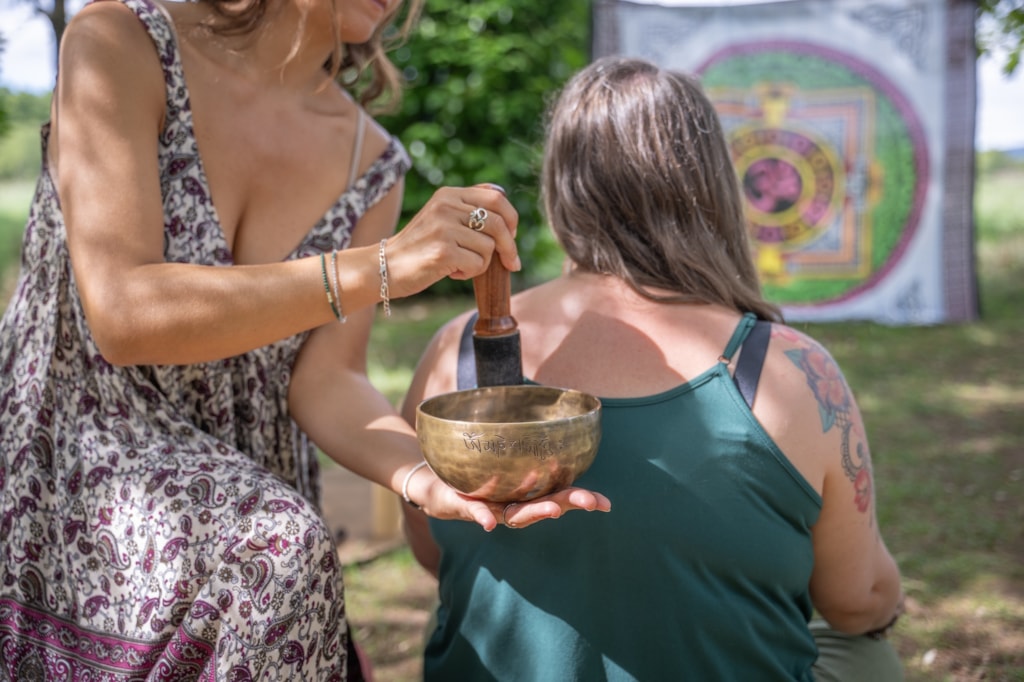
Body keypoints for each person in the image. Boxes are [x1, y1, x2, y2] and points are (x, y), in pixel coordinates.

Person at [0, 0, 609, 678]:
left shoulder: (370, 160)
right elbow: (124, 315)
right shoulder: (119, 41)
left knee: (278, 556)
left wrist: (431, 476)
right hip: (76, 464)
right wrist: (380, 267)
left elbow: (326, 379)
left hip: (256, 504)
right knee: (277, 548)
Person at [401, 56, 906, 681]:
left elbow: (431, 548)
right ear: (711, 190)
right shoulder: (788, 371)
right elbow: (859, 602)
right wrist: (889, 600)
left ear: (560, 187)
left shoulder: (453, 349)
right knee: (868, 653)